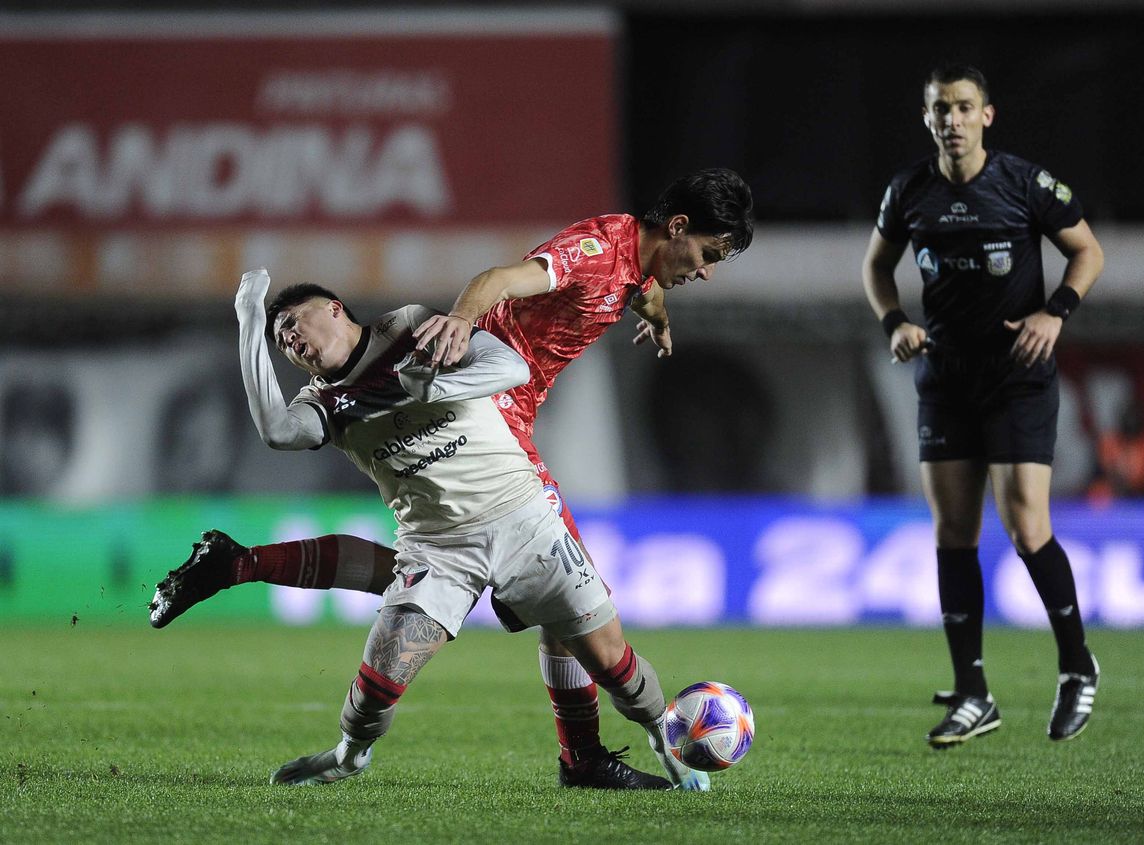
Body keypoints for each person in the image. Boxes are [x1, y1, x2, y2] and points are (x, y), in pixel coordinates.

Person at [150, 169, 754, 787]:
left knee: (565, 619)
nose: (706, 270)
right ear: (678, 227)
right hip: (489, 413)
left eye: (295, 324)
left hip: (500, 419)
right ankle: (579, 755)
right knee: (510, 603)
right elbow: (497, 281)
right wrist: (460, 321)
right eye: (708, 255)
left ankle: (588, 754)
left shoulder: (629, 265)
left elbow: (638, 289)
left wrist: (658, 317)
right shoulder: (593, 251)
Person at [861, 64, 1105, 747]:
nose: (953, 120)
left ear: (987, 115)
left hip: (1017, 375)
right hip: (945, 379)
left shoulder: (1025, 184)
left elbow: (1087, 252)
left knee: (1026, 524)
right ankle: (973, 693)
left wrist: (1055, 312)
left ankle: (1077, 665)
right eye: (941, 109)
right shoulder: (909, 190)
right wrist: (895, 323)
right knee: (953, 534)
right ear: (927, 117)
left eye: (964, 107)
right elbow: (876, 267)